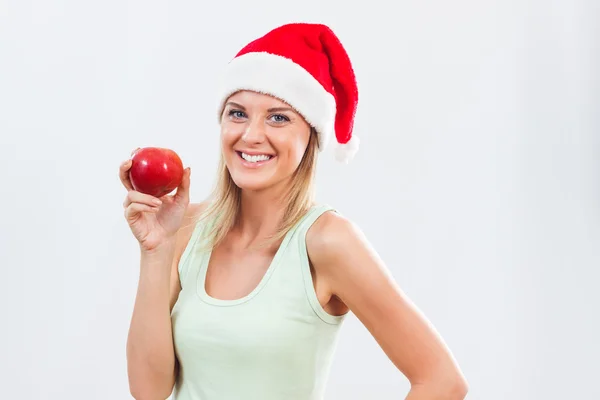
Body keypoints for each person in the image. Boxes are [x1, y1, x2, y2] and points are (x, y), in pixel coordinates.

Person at [120, 23, 468, 400]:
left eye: (278, 117)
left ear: (311, 134)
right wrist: (155, 251)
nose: (251, 135)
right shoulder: (186, 225)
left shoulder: (328, 242)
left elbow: (441, 381)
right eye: (237, 113)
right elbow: (148, 391)